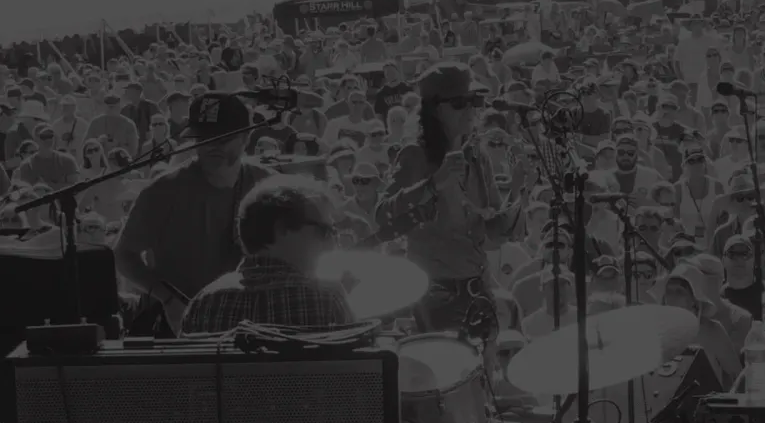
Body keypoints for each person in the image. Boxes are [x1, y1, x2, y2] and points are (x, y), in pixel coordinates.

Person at [375, 61, 530, 337]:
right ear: (436, 109)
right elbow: (382, 216)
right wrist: (434, 183)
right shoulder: (415, 155)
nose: (472, 109)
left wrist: (519, 193)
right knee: (452, 374)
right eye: (461, 102)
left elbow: (494, 231)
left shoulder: (477, 156)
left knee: (484, 375)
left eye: (476, 100)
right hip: (436, 292)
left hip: (478, 286)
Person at [114, 94, 275, 336]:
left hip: (252, 323)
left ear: (246, 137)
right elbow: (124, 255)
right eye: (204, 138)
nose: (212, 146)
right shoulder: (163, 191)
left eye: (222, 138)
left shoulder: (269, 186)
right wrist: (167, 298)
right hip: (179, 324)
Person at [180, 174, 350, 334]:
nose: (333, 243)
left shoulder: (203, 302)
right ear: (282, 229)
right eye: (325, 231)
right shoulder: (327, 299)